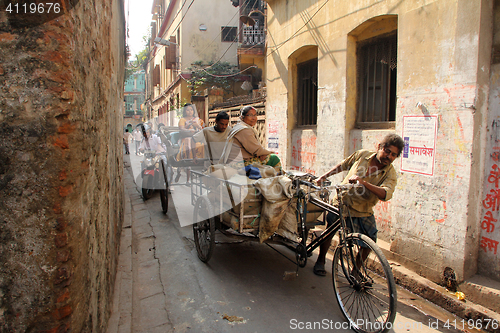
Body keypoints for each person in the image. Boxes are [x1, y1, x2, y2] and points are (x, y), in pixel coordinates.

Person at [312, 134, 405, 277]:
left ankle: (355, 271)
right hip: (342, 202)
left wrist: (364, 183)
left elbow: (386, 194)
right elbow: (343, 165)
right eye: (387, 151)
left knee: (369, 241)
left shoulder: (390, 174)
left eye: (393, 155)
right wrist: (324, 176)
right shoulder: (363, 155)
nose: (389, 156)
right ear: (379, 147)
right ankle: (321, 260)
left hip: (363, 209)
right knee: (329, 232)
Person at [219, 106, 281, 172]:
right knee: (274, 158)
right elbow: (257, 150)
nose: (254, 118)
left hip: (235, 162)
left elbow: (255, 150)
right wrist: (269, 152)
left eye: (255, 115)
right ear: (242, 117)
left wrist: (262, 153)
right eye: (250, 115)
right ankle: (277, 179)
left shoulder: (238, 126)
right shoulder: (244, 130)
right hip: (239, 164)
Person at [175, 103, 205, 182]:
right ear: (185, 111)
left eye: (191, 110)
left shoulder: (197, 119)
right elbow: (182, 129)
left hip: (195, 140)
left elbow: (203, 129)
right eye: (188, 110)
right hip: (185, 139)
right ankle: (183, 172)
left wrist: (197, 125)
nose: (190, 111)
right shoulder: (182, 120)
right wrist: (189, 129)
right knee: (188, 141)